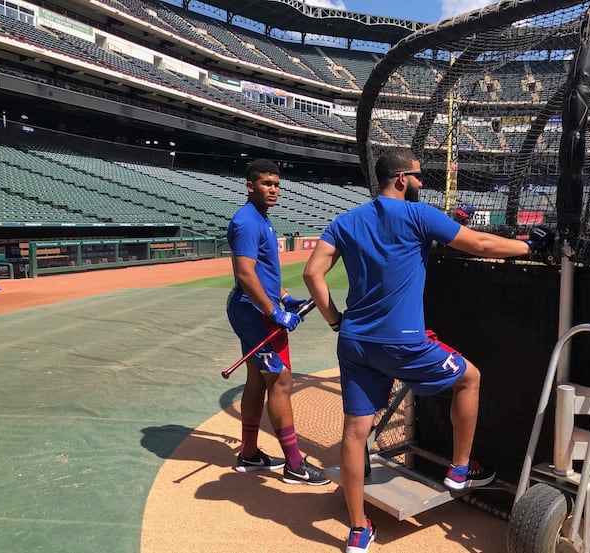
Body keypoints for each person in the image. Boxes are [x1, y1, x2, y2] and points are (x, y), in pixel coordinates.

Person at [303, 148, 555, 552]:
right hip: (402, 342)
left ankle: (358, 531)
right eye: (419, 177)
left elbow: (312, 273)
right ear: (401, 179)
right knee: (470, 378)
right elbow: (483, 245)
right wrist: (530, 247)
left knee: (354, 433)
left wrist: (335, 320)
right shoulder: (418, 215)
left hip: (355, 342)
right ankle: (459, 470)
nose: (423, 183)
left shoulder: (346, 220)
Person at [226, 158, 330, 486]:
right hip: (254, 313)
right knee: (281, 381)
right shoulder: (246, 222)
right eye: (267, 183)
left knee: (258, 379)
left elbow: (264, 271)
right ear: (250, 186)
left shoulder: (262, 219)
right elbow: (245, 274)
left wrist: (285, 298)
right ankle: (295, 465)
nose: (274, 190)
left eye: (277, 184)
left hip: (258, 309)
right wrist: (273, 312)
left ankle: (249, 453)